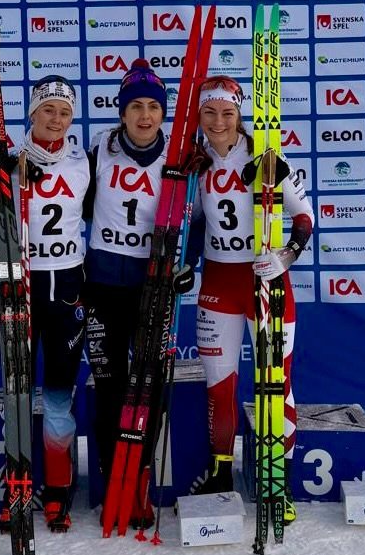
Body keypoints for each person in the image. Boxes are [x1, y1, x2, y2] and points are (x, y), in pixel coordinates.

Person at [192, 75, 314, 520]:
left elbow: (304, 215)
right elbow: (194, 221)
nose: (219, 121)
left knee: (276, 383)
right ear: (200, 115)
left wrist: (288, 254)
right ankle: (222, 471)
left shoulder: (266, 154)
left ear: (240, 115)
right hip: (218, 283)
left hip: (266, 280)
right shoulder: (195, 160)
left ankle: (275, 478)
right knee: (219, 384)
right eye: (210, 112)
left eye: (227, 113)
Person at [84, 58, 194, 528]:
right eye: (136, 107)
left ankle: (141, 481)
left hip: (155, 288)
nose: (145, 115)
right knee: (110, 390)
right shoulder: (97, 153)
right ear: (121, 112)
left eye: (153, 106)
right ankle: (114, 481)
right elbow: (65, 203)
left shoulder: (183, 157)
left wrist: (188, 265)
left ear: (163, 112)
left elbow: (200, 219)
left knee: (149, 390)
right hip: (104, 286)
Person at [0, 75, 90, 533]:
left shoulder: (84, 160)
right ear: (32, 113)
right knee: (17, 391)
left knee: (60, 396)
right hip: (18, 285)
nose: (56, 119)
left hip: (66, 286)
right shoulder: (5, 161)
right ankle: (18, 485)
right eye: (48, 110)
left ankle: (60, 487)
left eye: (64, 112)